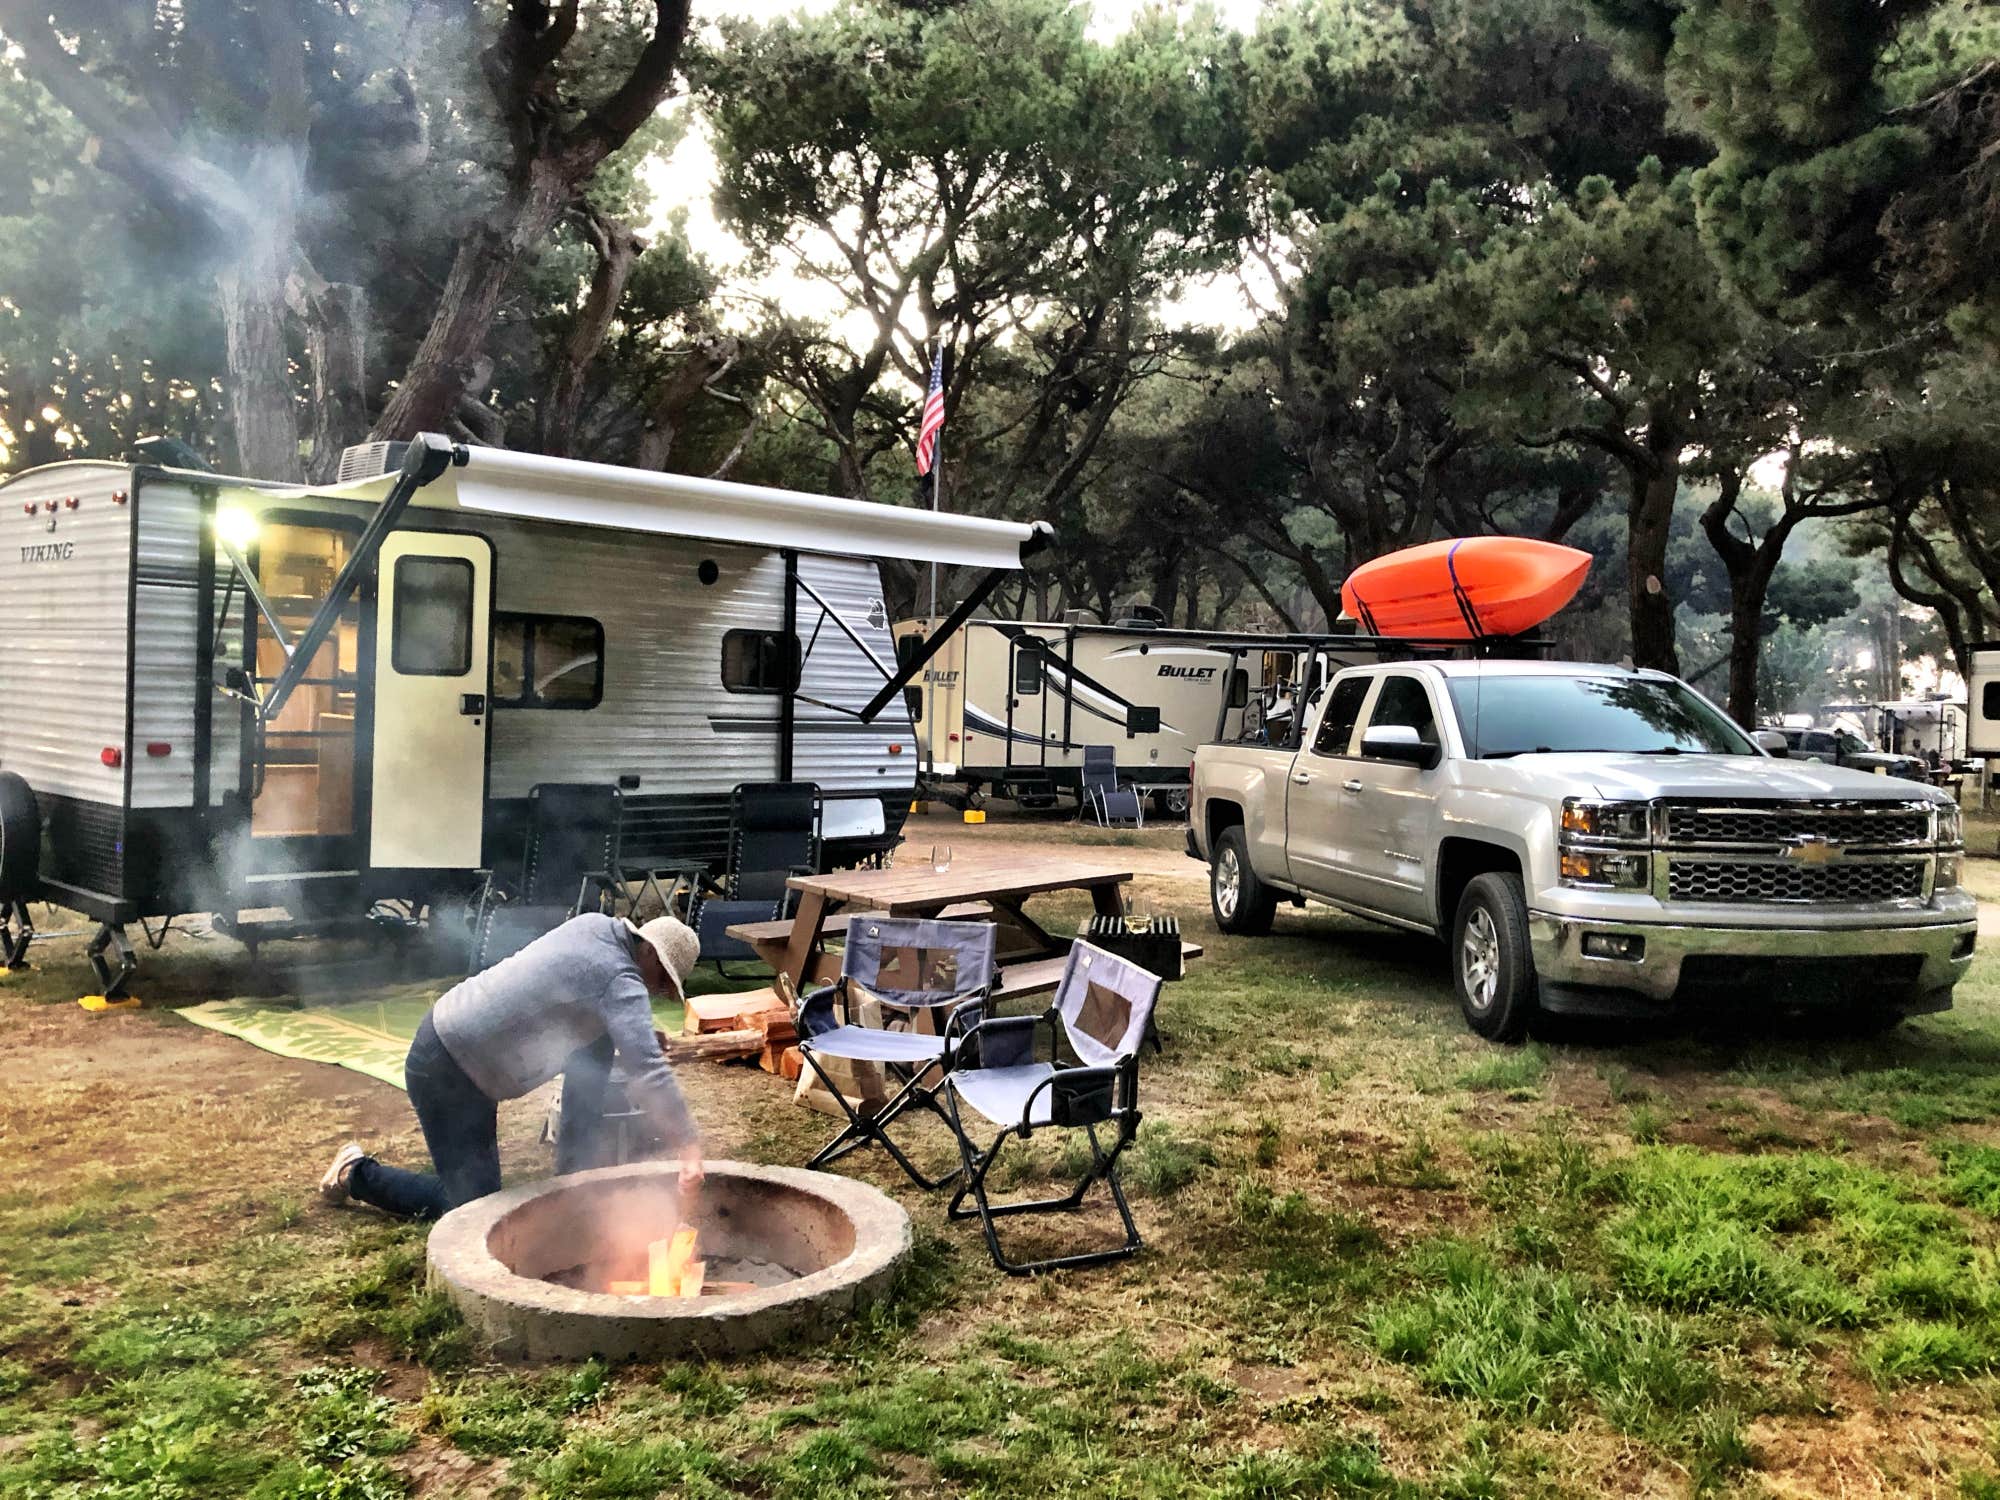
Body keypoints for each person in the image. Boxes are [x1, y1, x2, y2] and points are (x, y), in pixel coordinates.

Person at [318, 913, 704, 1219]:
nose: (661, 992)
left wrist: (632, 1030)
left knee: (599, 1040)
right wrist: (687, 1147)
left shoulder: (596, 927)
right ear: (649, 952)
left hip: (459, 1047)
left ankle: (575, 1180)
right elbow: (648, 1069)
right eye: (665, 980)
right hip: (447, 1072)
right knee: (470, 1208)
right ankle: (356, 1173)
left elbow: (580, 993)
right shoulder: (618, 977)